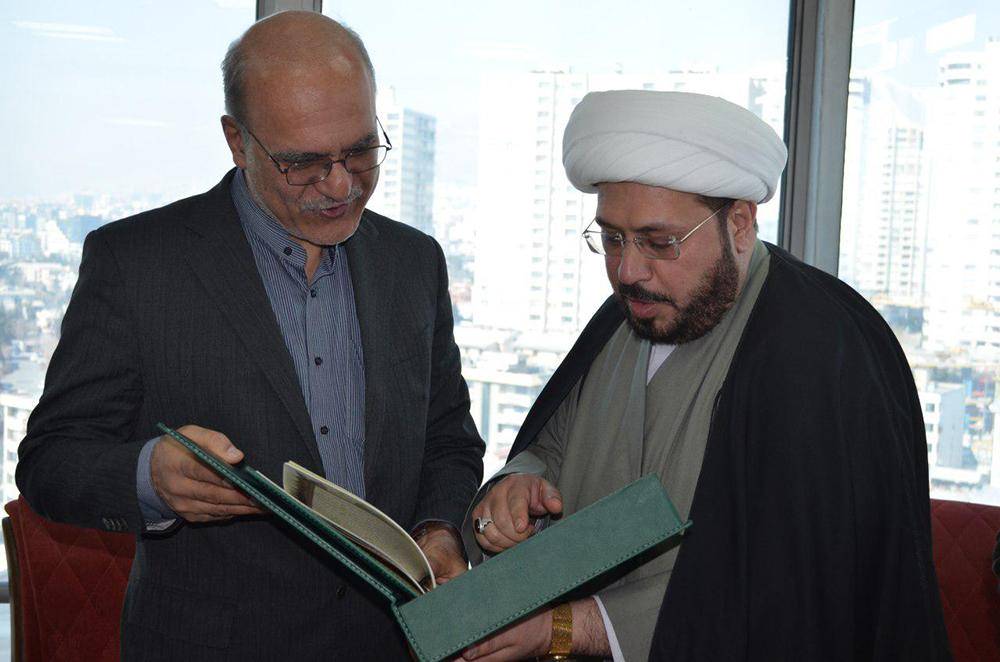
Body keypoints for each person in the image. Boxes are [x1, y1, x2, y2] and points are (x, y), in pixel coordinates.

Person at [16, 11, 484, 661]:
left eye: (360, 151)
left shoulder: (414, 261)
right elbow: (50, 460)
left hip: (391, 643)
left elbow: (449, 439)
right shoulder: (137, 263)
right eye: (304, 163)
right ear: (237, 142)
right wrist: (151, 477)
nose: (341, 185)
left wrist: (438, 532)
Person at [462, 90, 950, 661]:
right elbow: (552, 449)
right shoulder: (627, 317)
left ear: (739, 223)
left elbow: (793, 588)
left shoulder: (821, 350)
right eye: (612, 238)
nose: (628, 270)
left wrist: (569, 628)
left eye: (658, 242)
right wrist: (518, 489)